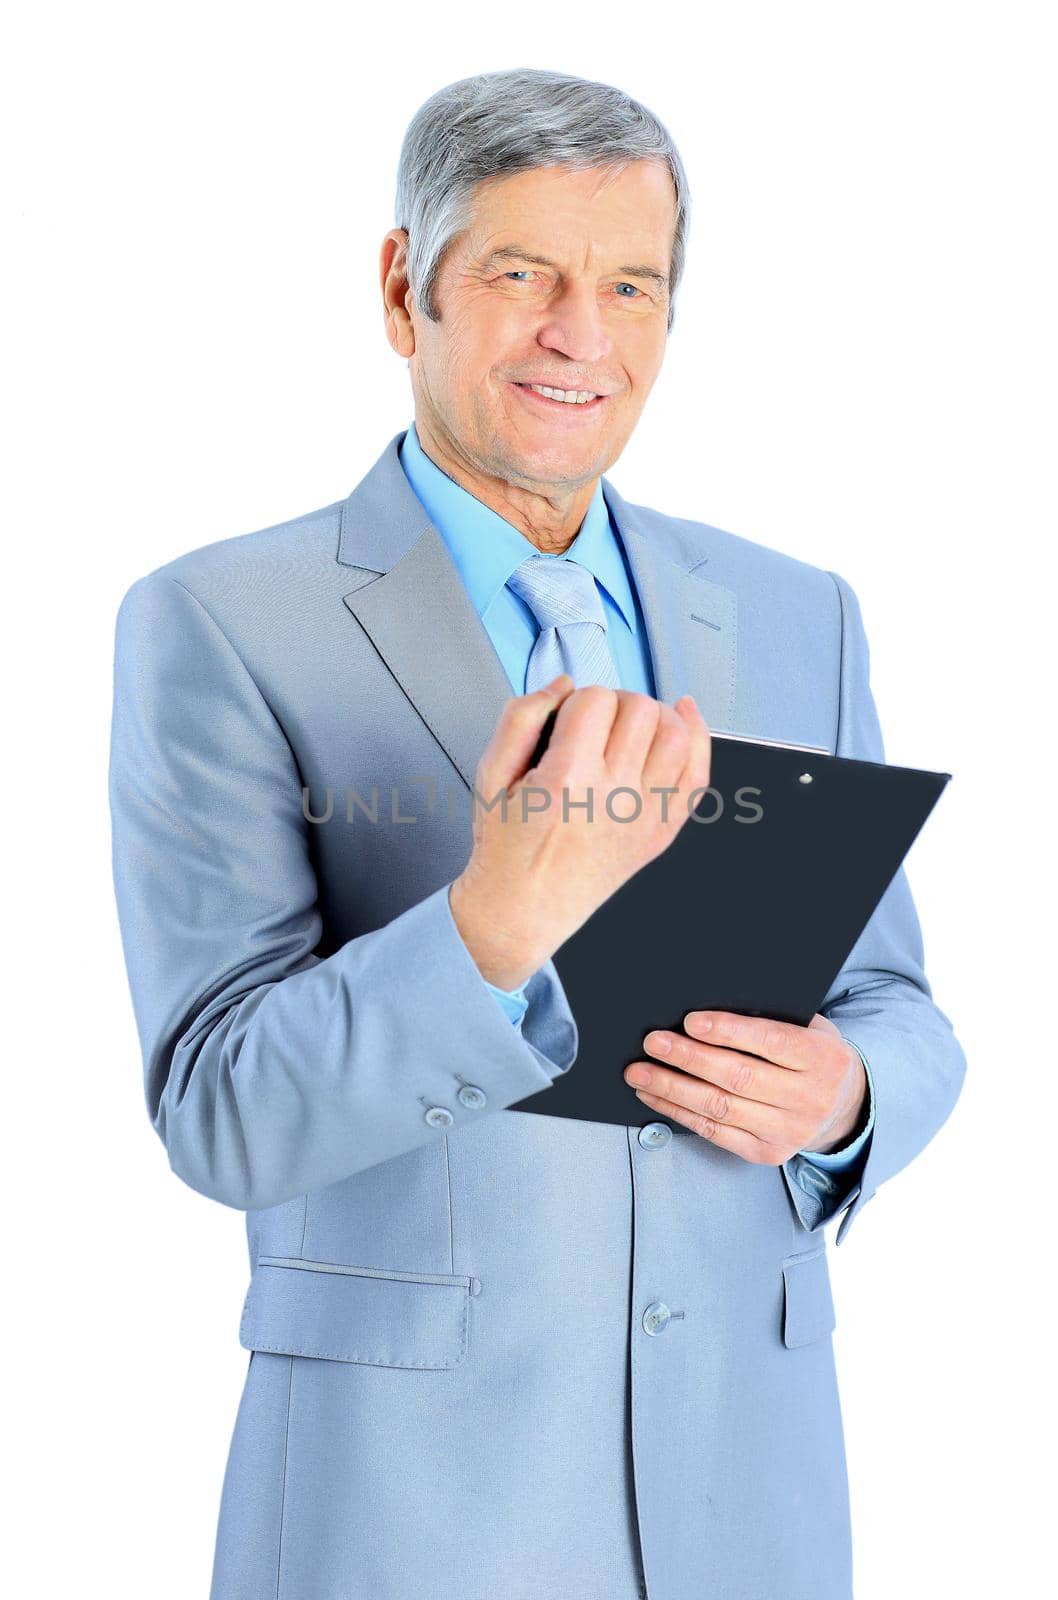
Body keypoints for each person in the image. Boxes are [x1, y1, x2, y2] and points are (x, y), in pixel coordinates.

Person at [108, 66, 966, 1600]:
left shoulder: (792, 613)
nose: (581, 334)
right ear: (403, 287)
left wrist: (843, 1098)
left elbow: (896, 1009)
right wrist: (487, 923)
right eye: (521, 275)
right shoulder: (223, 624)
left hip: (746, 1495)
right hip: (407, 1511)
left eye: (629, 285)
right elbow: (219, 1109)